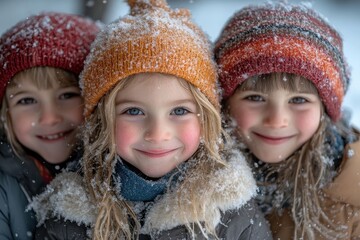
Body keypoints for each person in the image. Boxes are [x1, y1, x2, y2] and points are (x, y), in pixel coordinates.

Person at [29, 0, 272, 239]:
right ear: (102, 121)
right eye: (134, 111)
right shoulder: (66, 216)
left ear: (207, 117)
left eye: (179, 111)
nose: (157, 134)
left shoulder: (233, 217)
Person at [214, 2, 360, 239]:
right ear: (225, 104)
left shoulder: (352, 198)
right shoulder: (194, 184)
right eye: (255, 97)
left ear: (325, 110)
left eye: (299, 100)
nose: (276, 120)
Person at [0, 12, 100, 239]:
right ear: (5, 114)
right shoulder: (4, 188)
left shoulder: (127, 175)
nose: (49, 118)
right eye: (26, 100)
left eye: (67, 95)